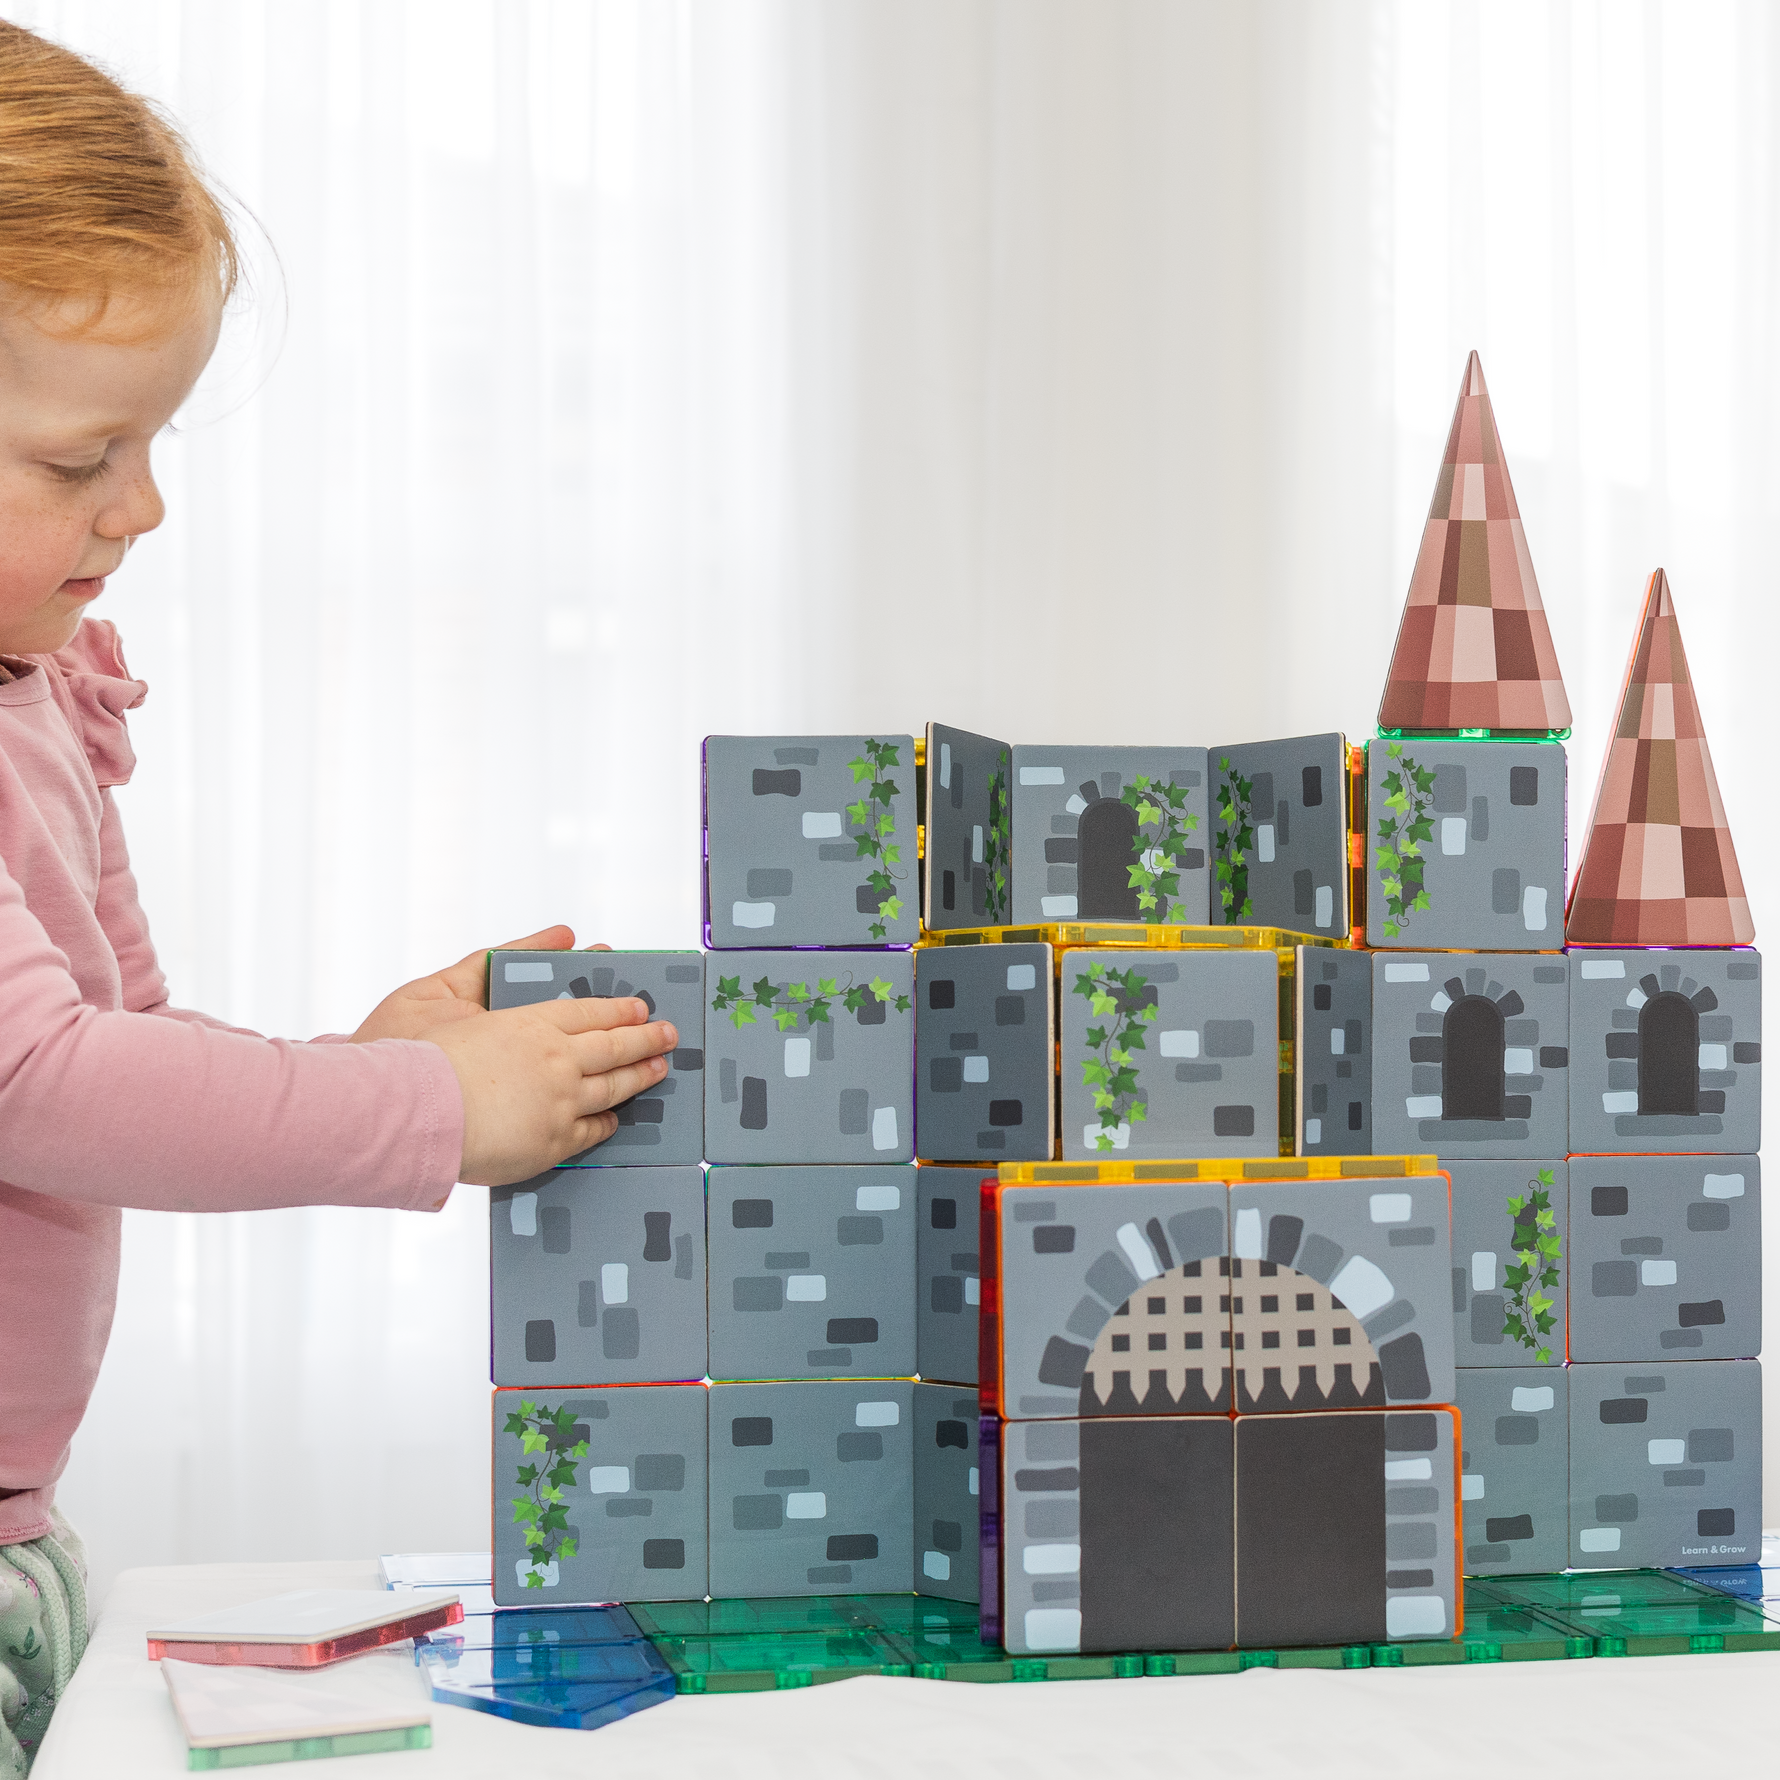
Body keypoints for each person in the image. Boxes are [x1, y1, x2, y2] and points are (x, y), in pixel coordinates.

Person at [0, 23, 675, 1771]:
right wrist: (421, 1113)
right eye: (82, 460)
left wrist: (363, 1056)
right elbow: (40, 1087)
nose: (141, 507)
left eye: (149, 447)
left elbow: (124, 1051)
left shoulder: (39, 694)